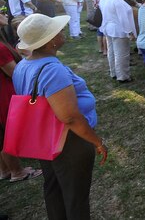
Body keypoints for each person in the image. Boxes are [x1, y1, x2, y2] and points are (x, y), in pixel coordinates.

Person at [13, 14, 108, 219]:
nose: (62, 32)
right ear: (50, 41)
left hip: (46, 138)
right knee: (76, 198)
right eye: (58, 31)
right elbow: (70, 117)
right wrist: (96, 142)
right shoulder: (52, 69)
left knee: (54, 188)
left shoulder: (22, 65)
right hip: (69, 142)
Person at [0, 13, 43, 183]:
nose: (4, 13)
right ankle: (17, 171)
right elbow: (14, 73)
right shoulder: (1, 48)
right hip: (5, 93)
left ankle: (5, 170)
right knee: (6, 132)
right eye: (0, 11)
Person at [98, 0, 137, 83]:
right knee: (121, 53)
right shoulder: (116, 0)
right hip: (118, 29)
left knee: (112, 51)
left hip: (108, 27)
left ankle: (114, 72)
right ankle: (123, 76)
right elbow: (123, 18)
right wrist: (129, 32)